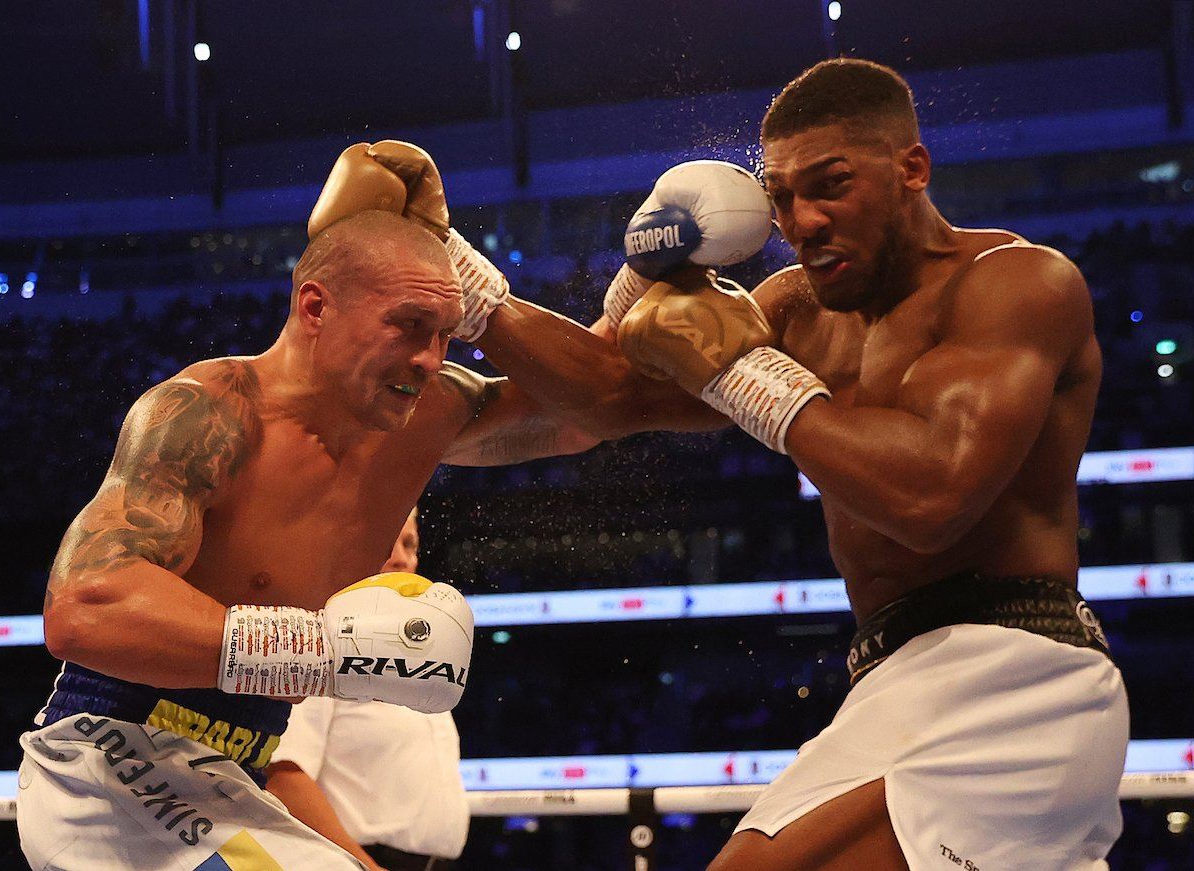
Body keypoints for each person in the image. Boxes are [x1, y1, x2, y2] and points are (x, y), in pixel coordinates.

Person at [461, 61, 1128, 870]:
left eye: (831, 185)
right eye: (781, 197)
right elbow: (604, 398)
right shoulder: (794, 308)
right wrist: (455, 278)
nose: (802, 220)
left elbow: (933, 495)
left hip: (1015, 668)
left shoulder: (1017, 284)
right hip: (899, 672)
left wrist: (741, 373)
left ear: (911, 168)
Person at [15, 147, 653, 869]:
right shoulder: (209, 412)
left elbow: (586, 408)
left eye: (447, 333)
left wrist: (644, 283)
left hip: (229, 777)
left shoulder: (424, 417)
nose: (428, 358)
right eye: (408, 324)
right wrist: (327, 654)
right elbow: (84, 608)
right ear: (315, 306)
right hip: (111, 758)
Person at [266, 509, 469, 871]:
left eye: (410, 543)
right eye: (386, 540)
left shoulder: (423, 662)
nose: (401, 558)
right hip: (357, 861)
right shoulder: (323, 645)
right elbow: (284, 778)